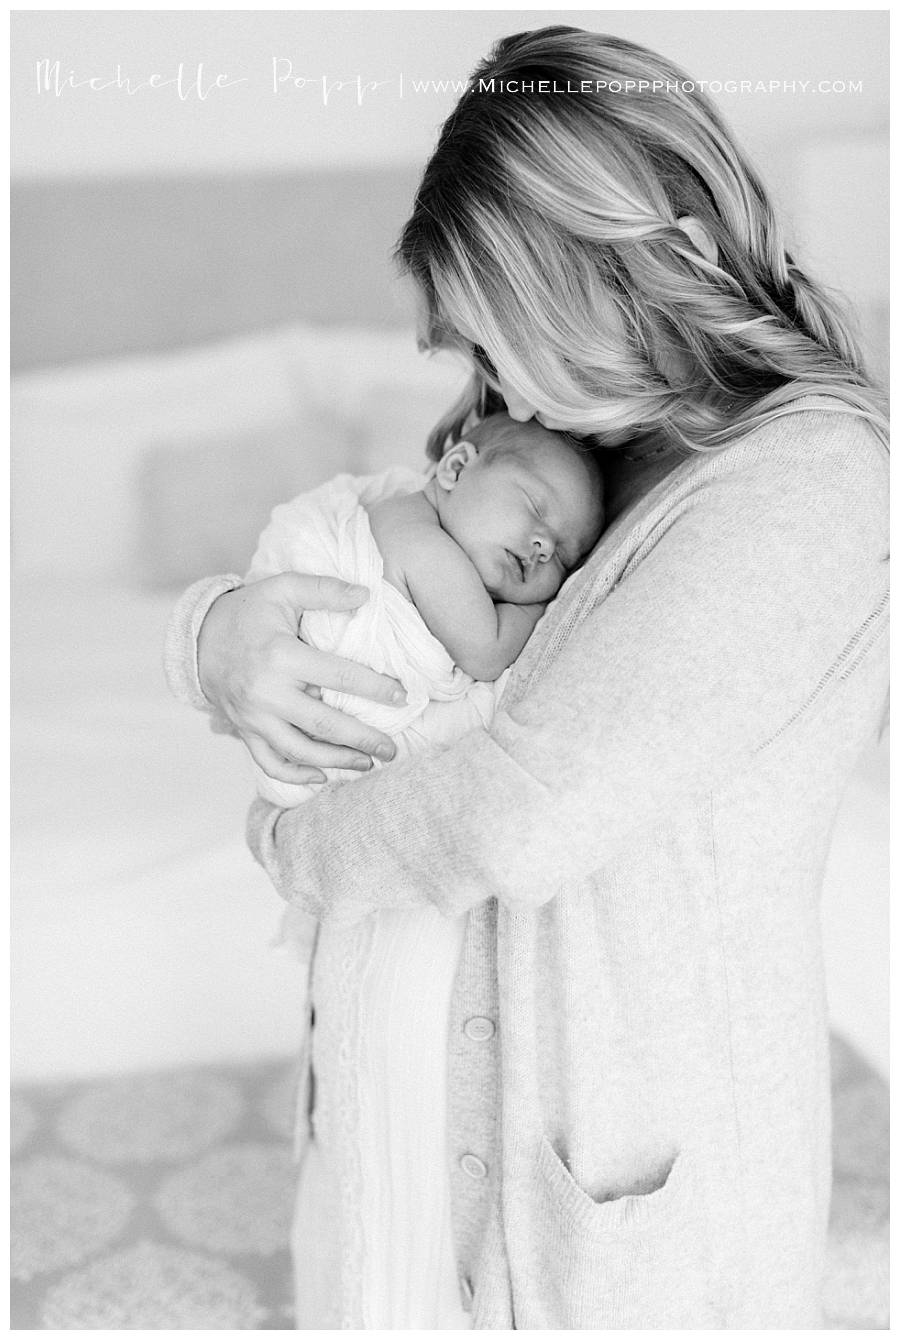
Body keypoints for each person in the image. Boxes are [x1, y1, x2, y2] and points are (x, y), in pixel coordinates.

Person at [165, 27, 889, 1330]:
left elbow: (523, 806)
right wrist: (215, 635)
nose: (488, 385)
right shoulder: (599, 432)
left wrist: (285, 839)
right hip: (429, 1135)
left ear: (608, 269)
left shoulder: (811, 486)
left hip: (623, 1184)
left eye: (499, 333)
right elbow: (366, 544)